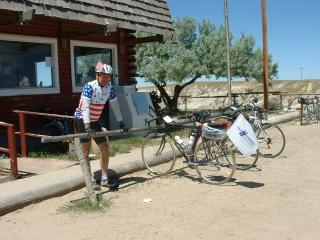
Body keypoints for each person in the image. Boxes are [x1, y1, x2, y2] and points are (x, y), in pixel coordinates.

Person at [74, 62, 126, 190]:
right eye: (104, 76)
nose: (107, 78)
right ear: (97, 75)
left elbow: (115, 106)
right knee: (85, 151)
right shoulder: (89, 87)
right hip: (82, 119)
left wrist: (121, 122)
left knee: (105, 148)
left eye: (109, 76)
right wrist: (87, 125)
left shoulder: (110, 88)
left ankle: (104, 178)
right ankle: (89, 179)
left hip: (95, 120)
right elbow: (85, 107)